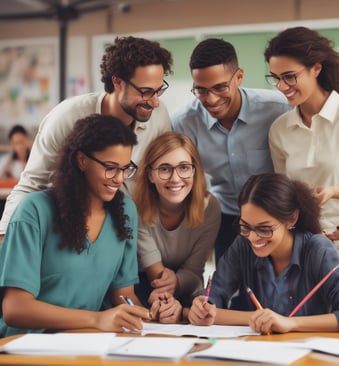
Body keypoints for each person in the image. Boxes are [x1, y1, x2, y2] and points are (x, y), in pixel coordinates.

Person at [0, 35, 173, 237]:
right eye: (145, 92)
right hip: (69, 231)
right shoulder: (66, 117)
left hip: (131, 232)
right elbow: (31, 185)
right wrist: (4, 238)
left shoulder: (158, 117)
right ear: (117, 82)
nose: (155, 102)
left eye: (158, 91)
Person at [0, 114, 154, 337]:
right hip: (26, 345)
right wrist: (97, 319)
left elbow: (122, 293)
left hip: (85, 341)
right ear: (82, 160)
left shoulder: (125, 211)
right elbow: (15, 309)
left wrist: (144, 312)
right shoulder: (34, 211)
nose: (119, 179)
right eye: (110, 167)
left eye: (125, 168)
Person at [264, 26, 339, 295]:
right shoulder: (279, 129)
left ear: (316, 68)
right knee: (312, 334)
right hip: (306, 256)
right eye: (276, 78)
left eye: (289, 77)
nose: (282, 87)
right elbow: (285, 197)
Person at [188, 173, 339, 333]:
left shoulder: (318, 250)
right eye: (245, 227)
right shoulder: (242, 245)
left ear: (291, 218)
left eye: (264, 229)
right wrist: (202, 304)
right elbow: (213, 300)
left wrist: (291, 323)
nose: (253, 237)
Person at [171, 38, 291, 265]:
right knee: (229, 291)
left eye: (220, 87)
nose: (212, 99)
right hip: (227, 218)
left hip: (276, 217)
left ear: (238, 77)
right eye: (201, 90)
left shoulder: (278, 108)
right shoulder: (183, 122)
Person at [133, 131, 221, 323]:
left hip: (186, 285)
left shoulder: (210, 207)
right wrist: (166, 297)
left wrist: (177, 284)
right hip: (147, 284)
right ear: (150, 175)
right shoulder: (135, 205)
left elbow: (194, 269)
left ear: (195, 171)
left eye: (184, 167)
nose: (175, 178)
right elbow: (152, 267)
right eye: (165, 169)